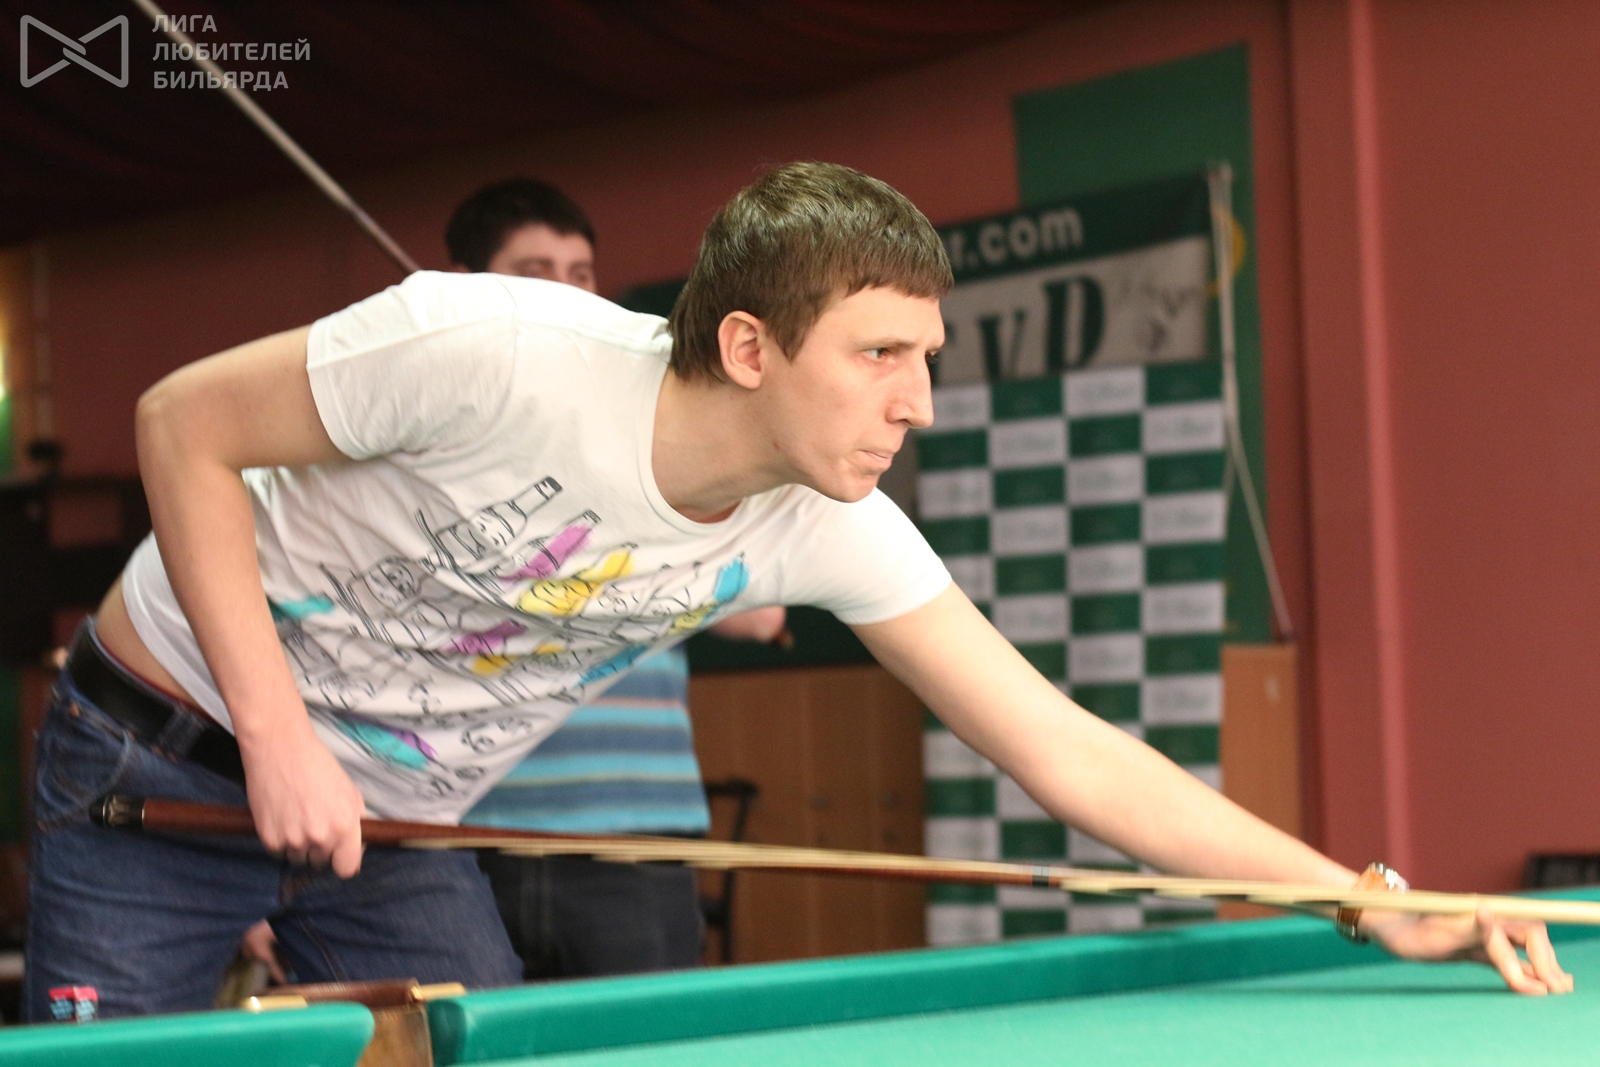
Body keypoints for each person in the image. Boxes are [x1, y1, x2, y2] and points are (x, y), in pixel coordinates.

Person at [23, 163, 1570, 1020]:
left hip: (390, 828)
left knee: (479, 1052)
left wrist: (1372, 899)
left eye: (926, 358)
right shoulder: (492, 346)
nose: (919, 401)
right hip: (156, 762)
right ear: (751, 347)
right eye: (881, 355)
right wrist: (278, 733)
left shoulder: (829, 523)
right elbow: (179, 425)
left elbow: (1071, 750)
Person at [448, 177, 785, 977]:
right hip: (468, 832)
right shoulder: (443, 435)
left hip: (635, 835)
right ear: (469, 287)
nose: (568, 294)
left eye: (581, 274)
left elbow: (761, 615)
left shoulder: (654, 429)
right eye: (536, 272)